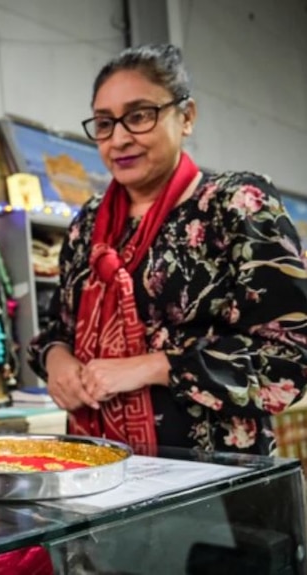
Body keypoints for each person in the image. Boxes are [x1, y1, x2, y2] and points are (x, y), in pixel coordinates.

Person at [29, 44, 307, 456]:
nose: (119, 139)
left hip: (212, 477)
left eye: (140, 115)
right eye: (105, 123)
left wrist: (153, 367)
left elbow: (289, 355)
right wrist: (58, 362)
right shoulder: (88, 225)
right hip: (97, 464)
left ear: (187, 116)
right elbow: (58, 327)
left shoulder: (233, 205)